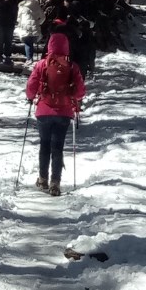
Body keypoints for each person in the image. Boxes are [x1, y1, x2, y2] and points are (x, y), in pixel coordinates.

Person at [26, 31, 85, 195]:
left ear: (50, 46)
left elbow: (31, 86)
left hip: (43, 110)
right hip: (64, 113)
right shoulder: (72, 66)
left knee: (44, 144)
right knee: (57, 147)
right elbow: (80, 92)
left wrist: (31, 97)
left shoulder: (42, 64)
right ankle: (55, 183)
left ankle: (43, 179)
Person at [14, 0, 45, 65]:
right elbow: (43, 17)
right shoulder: (36, 5)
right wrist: (38, 23)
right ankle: (30, 58)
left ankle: (29, 58)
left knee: (27, 43)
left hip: (25, 26)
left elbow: (18, 18)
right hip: (34, 26)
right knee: (30, 42)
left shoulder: (22, 5)